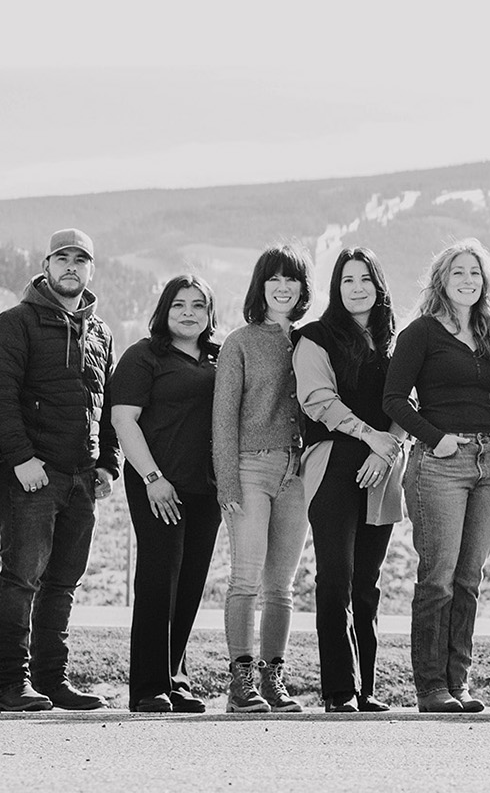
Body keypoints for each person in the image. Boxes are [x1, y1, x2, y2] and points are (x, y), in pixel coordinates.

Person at [0, 227, 117, 712]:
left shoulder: (101, 332)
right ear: (46, 265)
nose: (72, 267)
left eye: (82, 259)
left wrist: (108, 465)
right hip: (32, 475)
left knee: (63, 583)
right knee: (22, 578)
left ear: (91, 270)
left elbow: (107, 404)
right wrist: (20, 459)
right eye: (63, 258)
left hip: (82, 477)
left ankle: (51, 680)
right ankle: (10, 684)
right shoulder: (15, 323)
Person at [385, 238, 490, 714]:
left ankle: (458, 682)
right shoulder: (421, 332)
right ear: (442, 279)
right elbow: (394, 399)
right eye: (458, 272)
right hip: (439, 462)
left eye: (475, 273)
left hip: (488, 463)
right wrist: (436, 437)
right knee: (437, 577)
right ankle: (430, 688)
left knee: (469, 577)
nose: (468, 280)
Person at [294, 248, 405, 713]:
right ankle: (339, 690)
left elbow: (407, 403)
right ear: (335, 289)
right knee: (335, 577)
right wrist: (369, 436)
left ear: (378, 286)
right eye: (346, 280)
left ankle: (368, 689)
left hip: (383, 466)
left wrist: (389, 448)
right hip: (334, 460)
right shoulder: (315, 338)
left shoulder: (396, 343)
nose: (356, 287)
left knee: (368, 581)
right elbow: (317, 399)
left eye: (365, 279)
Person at [108, 275, 223, 713]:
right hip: (157, 484)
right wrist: (154, 478)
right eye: (179, 305)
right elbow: (124, 420)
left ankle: (177, 679)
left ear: (210, 314)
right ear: (164, 310)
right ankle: (148, 686)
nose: (189, 312)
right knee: (159, 579)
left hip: (206, 489)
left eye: (198, 305)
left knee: (190, 583)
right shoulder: (144, 356)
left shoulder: (219, 359)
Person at [213, 244, 313, 713]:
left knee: (282, 586)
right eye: (274, 279)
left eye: (291, 279)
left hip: (297, 472)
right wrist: (227, 483)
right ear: (261, 286)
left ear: (301, 288)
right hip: (249, 468)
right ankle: (241, 684)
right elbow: (223, 419)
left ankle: (274, 679)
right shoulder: (240, 341)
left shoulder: (311, 339)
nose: (283, 287)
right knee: (246, 578)